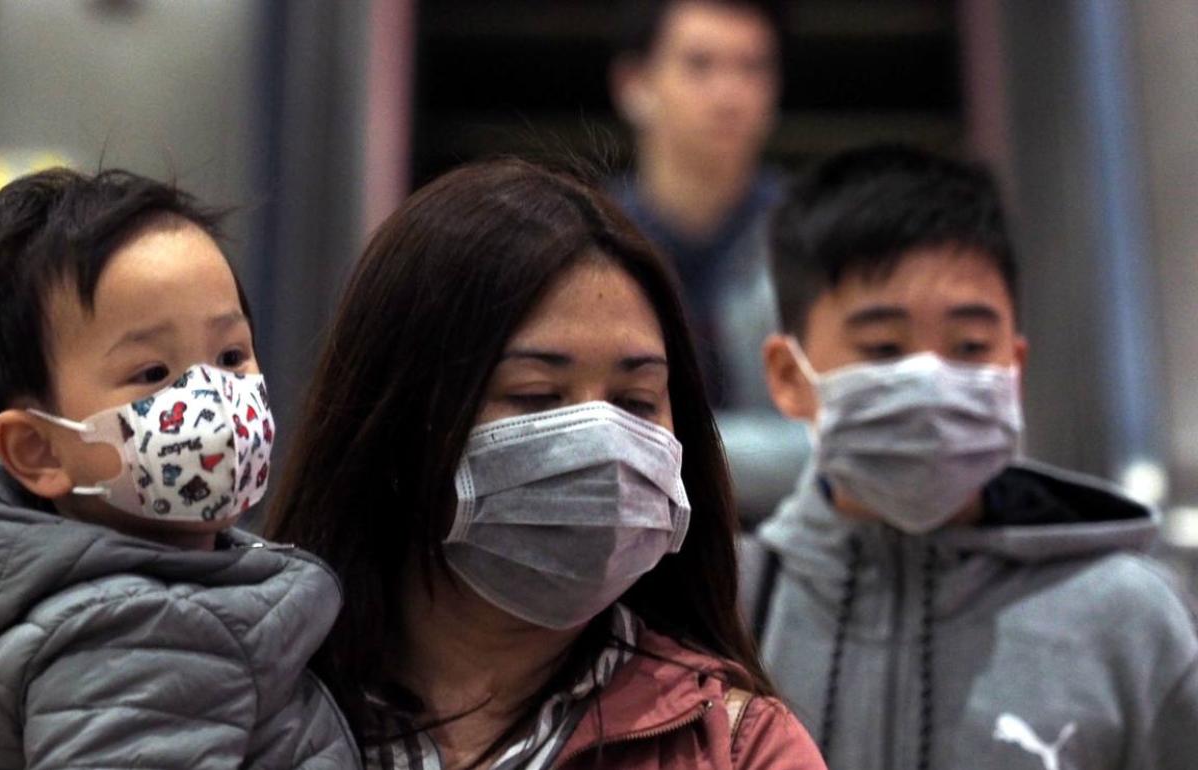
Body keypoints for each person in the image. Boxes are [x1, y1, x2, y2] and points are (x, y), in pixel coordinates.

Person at [265, 159, 826, 770]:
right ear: (399, 417)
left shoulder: (739, 749)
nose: (602, 437)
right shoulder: (255, 715)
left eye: (637, 402)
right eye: (535, 395)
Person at [750, 144, 1198, 769]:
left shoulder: (1131, 624)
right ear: (788, 375)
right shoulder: (730, 609)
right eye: (883, 348)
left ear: (1014, 366)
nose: (931, 381)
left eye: (969, 345)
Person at [0, 169, 360, 769]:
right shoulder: (148, 633)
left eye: (230, 356)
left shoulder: (36, 591)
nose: (215, 398)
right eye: (152, 374)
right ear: (39, 451)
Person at [609, 0, 784, 410]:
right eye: (699, 65)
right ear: (633, 85)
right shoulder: (587, 235)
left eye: (751, 68)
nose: (729, 96)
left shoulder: (812, 238)